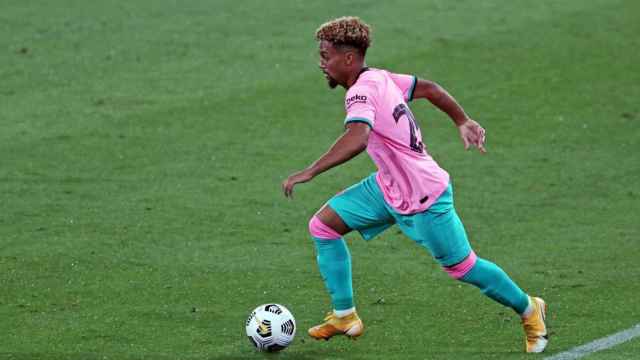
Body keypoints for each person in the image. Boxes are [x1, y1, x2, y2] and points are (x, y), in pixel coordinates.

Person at [282, 16, 549, 353]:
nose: (322, 64)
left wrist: (311, 171)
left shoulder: (361, 92)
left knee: (463, 267)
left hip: (425, 196)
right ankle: (345, 315)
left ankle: (529, 308)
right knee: (323, 226)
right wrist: (461, 120)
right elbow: (430, 89)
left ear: (348, 59)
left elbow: (358, 136)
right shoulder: (379, 78)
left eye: (326, 56)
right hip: (388, 187)